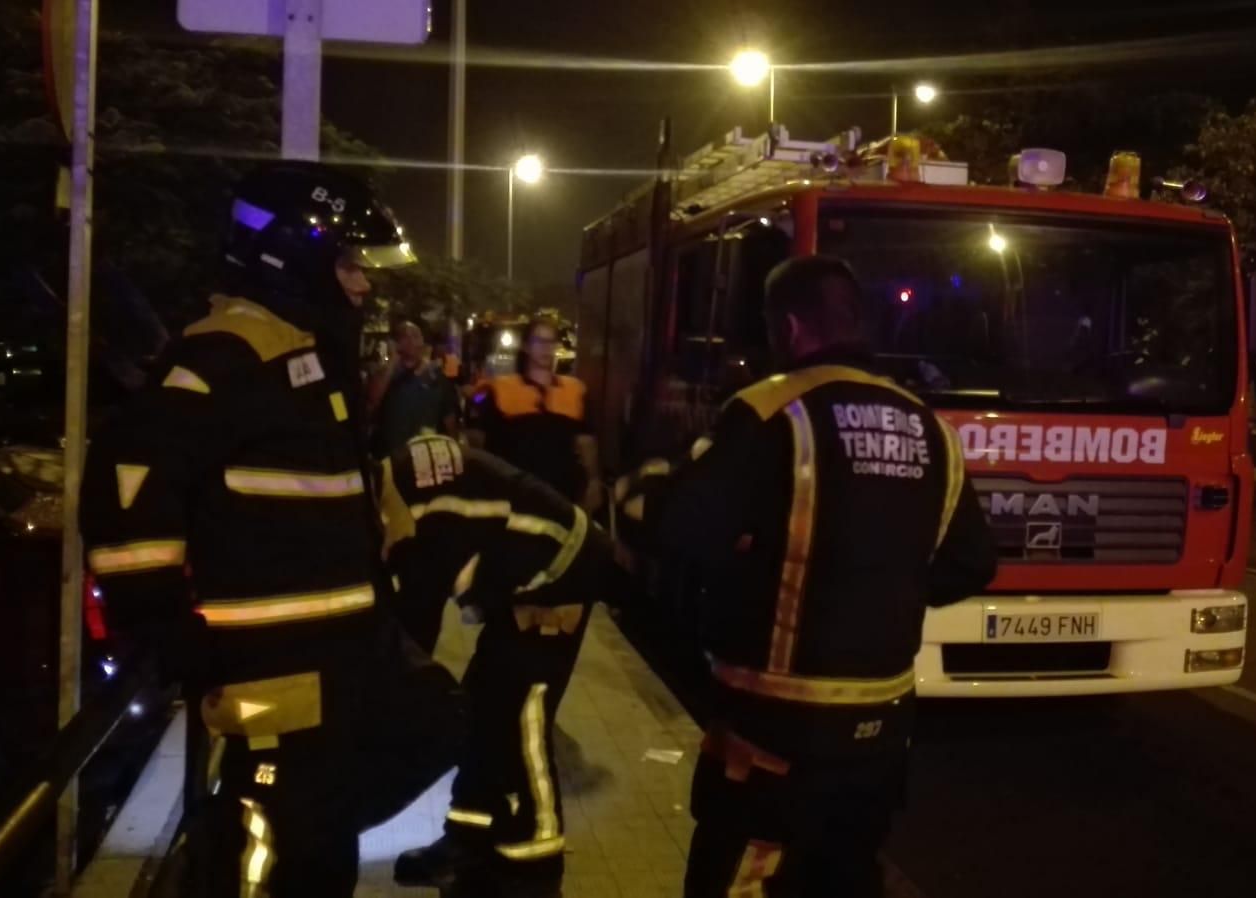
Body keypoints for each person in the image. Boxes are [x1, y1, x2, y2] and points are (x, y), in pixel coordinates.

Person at [80, 164, 463, 897]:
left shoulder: (304, 359)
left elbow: (333, 495)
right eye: (351, 265)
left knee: (419, 738)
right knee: (276, 855)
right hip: (271, 678)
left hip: (345, 660)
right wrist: (164, 626)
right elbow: (126, 492)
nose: (364, 285)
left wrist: (398, 561)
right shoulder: (228, 358)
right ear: (295, 255)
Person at [620, 256, 997, 898]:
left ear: (789, 329)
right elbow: (972, 563)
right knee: (844, 880)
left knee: (740, 879)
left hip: (773, 733)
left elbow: (669, 529)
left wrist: (646, 488)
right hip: (882, 735)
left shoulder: (772, 414)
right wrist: (886, 585)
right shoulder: (929, 429)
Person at [383, 433, 614, 898]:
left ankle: (534, 869)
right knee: (484, 704)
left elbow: (414, 632)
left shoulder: (419, 522)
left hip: (559, 576)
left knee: (523, 719)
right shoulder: (402, 479)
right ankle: (468, 837)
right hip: (525, 576)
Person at [469, 316, 602, 513]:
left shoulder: (574, 391)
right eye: (539, 341)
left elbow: (586, 442)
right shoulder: (501, 390)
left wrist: (593, 482)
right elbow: (478, 441)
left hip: (562, 495)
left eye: (550, 341)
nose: (545, 348)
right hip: (514, 496)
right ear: (526, 347)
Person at [369, 319, 463, 459]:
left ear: (422, 342)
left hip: (427, 459)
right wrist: (393, 360)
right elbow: (371, 404)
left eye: (415, 335)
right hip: (392, 459)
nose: (410, 340)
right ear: (395, 343)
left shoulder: (437, 378)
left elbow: (450, 420)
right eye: (404, 336)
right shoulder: (385, 375)